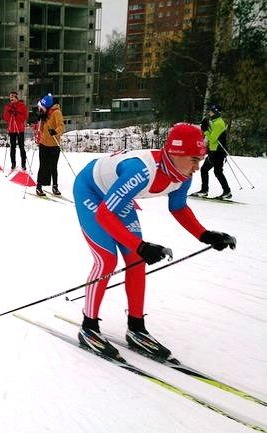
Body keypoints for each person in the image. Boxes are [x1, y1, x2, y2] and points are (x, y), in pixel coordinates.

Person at [73, 123, 236, 360]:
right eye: (194, 159)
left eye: (200, 160)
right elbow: (104, 215)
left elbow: (178, 207)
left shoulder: (182, 175)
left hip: (115, 197)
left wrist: (205, 235)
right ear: (176, 153)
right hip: (91, 190)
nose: (197, 167)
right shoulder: (142, 171)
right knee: (107, 260)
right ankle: (88, 327)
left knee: (136, 259)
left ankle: (136, 328)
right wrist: (141, 246)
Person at [192, 104, 231, 199]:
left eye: (211, 111)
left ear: (216, 112)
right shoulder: (215, 122)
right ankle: (225, 191)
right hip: (215, 151)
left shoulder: (218, 123)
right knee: (214, 171)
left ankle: (207, 191)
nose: (209, 113)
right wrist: (207, 127)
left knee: (211, 170)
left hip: (218, 151)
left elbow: (213, 139)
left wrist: (205, 130)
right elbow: (212, 136)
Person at [35, 93, 63, 197]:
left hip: (54, 145)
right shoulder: (45, 114)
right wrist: (40, 120)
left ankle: (55, 186)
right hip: (43, 144)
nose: (40, 109)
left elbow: (61, 126)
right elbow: (41, 130)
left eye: (42, 108)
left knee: (53, 167)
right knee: (42, 166)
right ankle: (39, 187)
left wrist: (55, 131)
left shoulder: (56, 113)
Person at [2, 91, 28, 171]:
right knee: (12, 147)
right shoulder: (8, 107)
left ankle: (23, 164)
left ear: (16, 97)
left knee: (21, 147)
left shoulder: (22, 106)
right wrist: (9, 113)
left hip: (20, 129)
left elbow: (24, 117)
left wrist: (16, 114)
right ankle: (13, 163)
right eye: (10, 97)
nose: (11, 98)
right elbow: (6, 118)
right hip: (12, 129)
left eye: (13, 96)